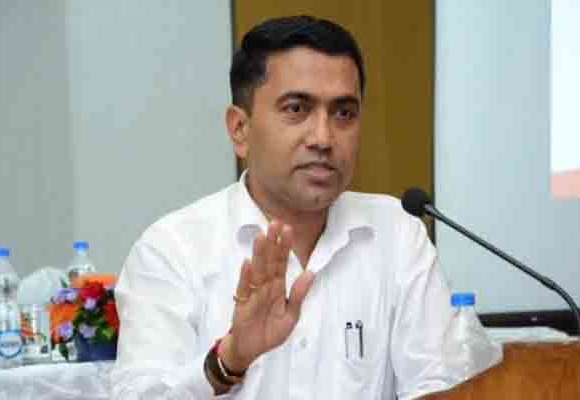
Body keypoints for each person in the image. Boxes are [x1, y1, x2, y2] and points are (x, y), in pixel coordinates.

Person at [112, 15, 455, 399]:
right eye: (296, 109)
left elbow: (439, 385)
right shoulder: (173, 250)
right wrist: (227, 361)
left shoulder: (397, 233)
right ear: (240, 129)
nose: (323, 138)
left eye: (343, 113)